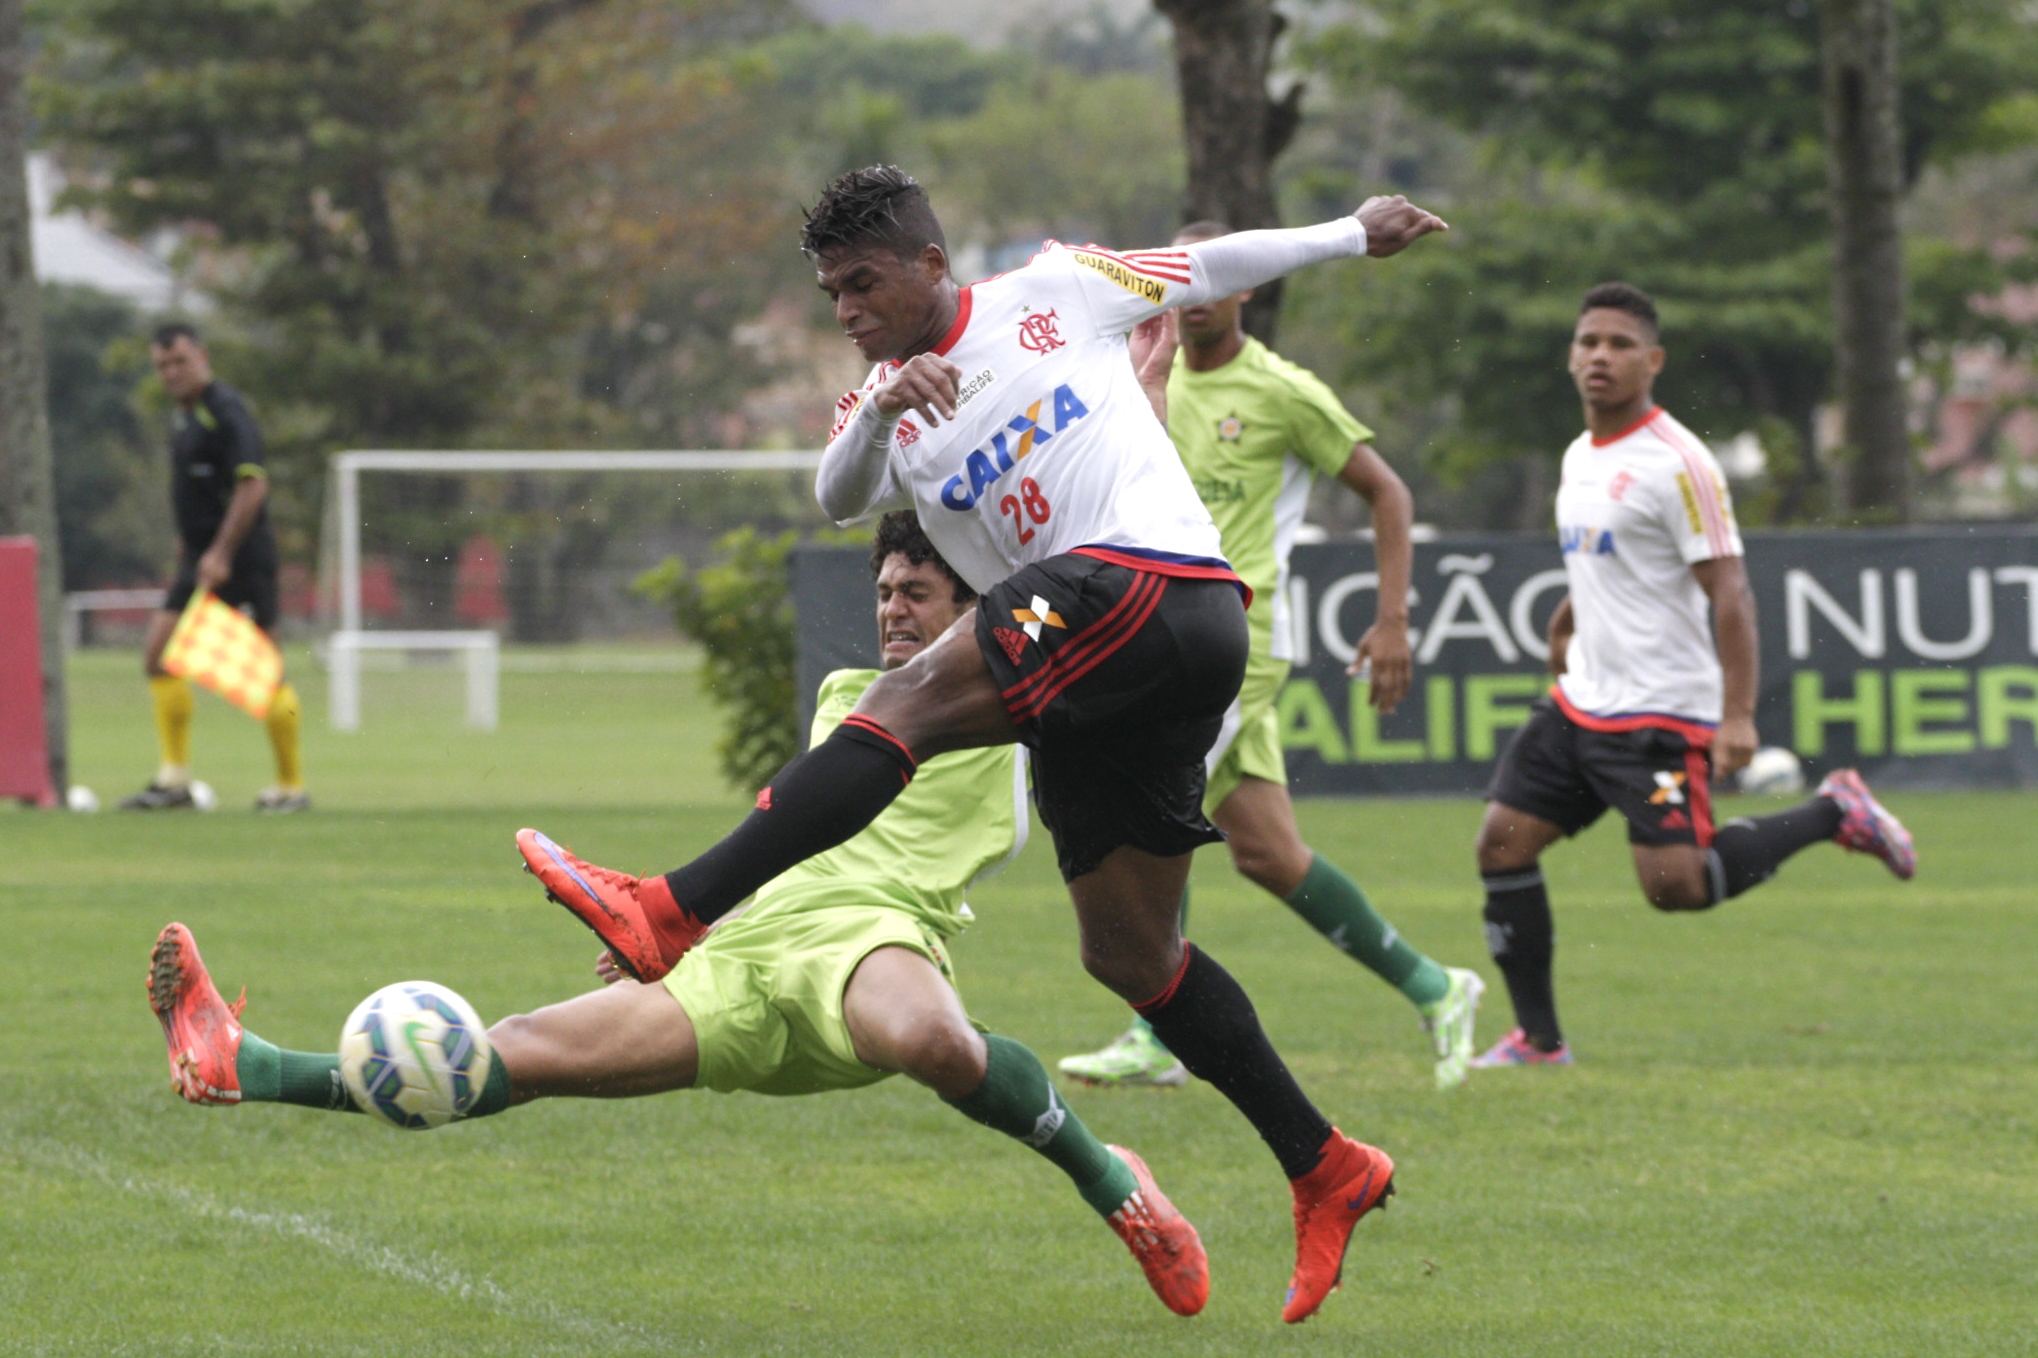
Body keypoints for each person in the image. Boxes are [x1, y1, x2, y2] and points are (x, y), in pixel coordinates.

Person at [517, 166, 1445, 1323]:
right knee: (1130, 954)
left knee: (897, 701)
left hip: (1156, 587)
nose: (847, 310)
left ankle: (669, 908)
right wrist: (888, 401)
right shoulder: (878, 397)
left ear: (927, 263)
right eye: (829, 294)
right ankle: (1324, 1164)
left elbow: (1201, 264)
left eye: (862, 284)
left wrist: (1351, 235)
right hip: (1106, 671)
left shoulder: (1051, 290)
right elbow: (834, 494)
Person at [147, 511, 1209, 1317]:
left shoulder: (1024, 701)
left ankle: (1114, 1181)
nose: (891, 605)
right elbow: (788, 830)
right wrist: (676, 928)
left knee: (932, 1036)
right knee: (491, 1057)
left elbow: (1101, 552)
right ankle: (245, 1061)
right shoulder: (854, 696)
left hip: (871, 946)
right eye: (883, 587)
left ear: (978, 603)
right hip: (741, 962)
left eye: (917, 590)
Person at [1059, 221, 1484, 1093]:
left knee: (1150, 808)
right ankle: (1439, 988)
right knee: (1268, 854)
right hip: (1156, 626)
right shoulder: (1132, 380)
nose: (1200, 292)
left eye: (1216, 276)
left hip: (1234, 640)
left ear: (1247, 287)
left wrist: (1393, 619)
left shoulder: (1282, 390)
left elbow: (1386, 490)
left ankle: (1156, 1029)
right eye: (1183, 277)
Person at [1470, 282, 1916, 1069]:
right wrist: (1570, 619)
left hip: (1659, 712)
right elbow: (1614, 560)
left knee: (1676, 886)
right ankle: (1540, 1042)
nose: (1599, 356)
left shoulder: (1680, 464)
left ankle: (1832, 810)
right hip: (1580, 703)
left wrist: (1737, 714)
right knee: (1501, 847)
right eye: (1588, 342)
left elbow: (1731, 591)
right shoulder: (1579, 454)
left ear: (1653, 360)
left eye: (1618, 344)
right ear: (1571, 356)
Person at [119, 323, 307, 814]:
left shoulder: (226, 411)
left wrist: (222, 551)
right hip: (199, 561)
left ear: (202, 357)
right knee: (158, 657)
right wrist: (195, 548)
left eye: (179, 361)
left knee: (267, 670)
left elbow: (252, 486)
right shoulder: (183, 419)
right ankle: (174, 781)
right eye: (162, 365)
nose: (171, 373)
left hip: (240, 559)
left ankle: (291, 787)